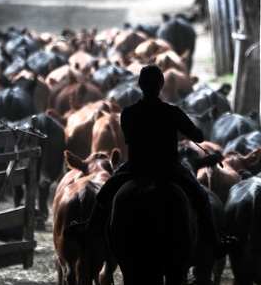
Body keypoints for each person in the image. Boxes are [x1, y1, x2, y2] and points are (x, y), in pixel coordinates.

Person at [64, 64, 238, 257]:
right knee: (202, 197)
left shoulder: (128, 113)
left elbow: (129, 140)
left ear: (140, 85)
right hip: (169, 168)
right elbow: (198, 136)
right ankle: (215, 242)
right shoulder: (172, 111)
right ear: (161, 85)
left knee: (105, 192)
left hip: (136, 168)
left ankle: (89, 230)